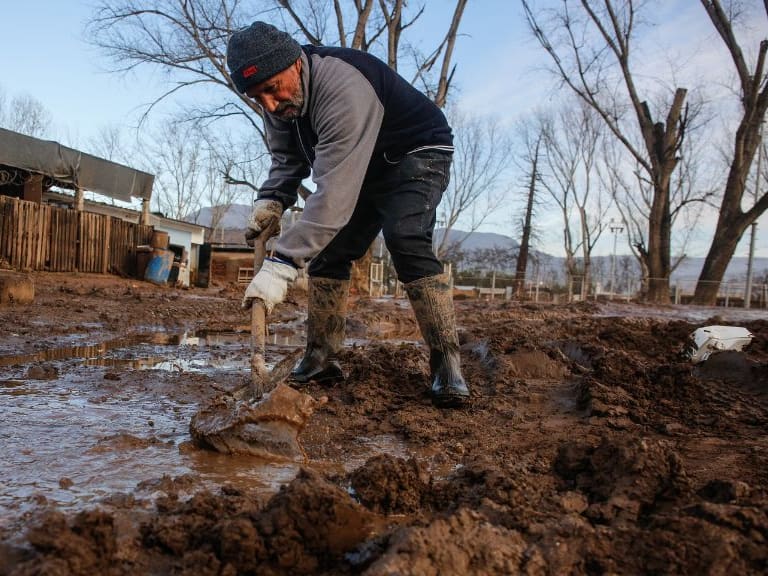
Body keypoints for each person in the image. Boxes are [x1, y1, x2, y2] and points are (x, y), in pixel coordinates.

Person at [226, 21, 470, 408]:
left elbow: (335, 195)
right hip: (362, 164)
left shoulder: (342, 86)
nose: (269, 105)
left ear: (295, 65)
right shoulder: (278, 102)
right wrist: (271, 199)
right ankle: (321, 357)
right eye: (258, 98)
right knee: (330, 253)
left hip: (414, 152)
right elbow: (288, 159)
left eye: (272, 90)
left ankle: (447, 364)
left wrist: (281, 264)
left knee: (405, 237)